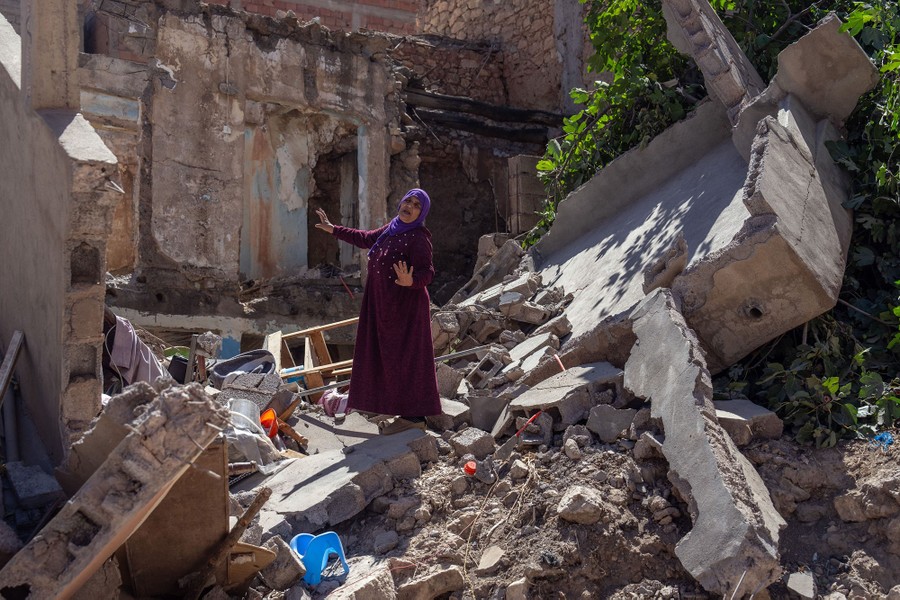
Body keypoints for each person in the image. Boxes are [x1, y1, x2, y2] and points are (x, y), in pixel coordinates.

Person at [314, 188, 441, 434]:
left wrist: (410, 282)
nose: (410, 206)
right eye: (408, 200)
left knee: (405, 359)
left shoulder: (418, 237)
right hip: (383, 306)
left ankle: (414, 417)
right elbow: (364, 238)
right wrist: (333, 229)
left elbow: (428, 272)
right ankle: (390, 406)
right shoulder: (392, 228)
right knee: (384, 358)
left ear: (421, 212)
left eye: (416, 204)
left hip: (406, 310)